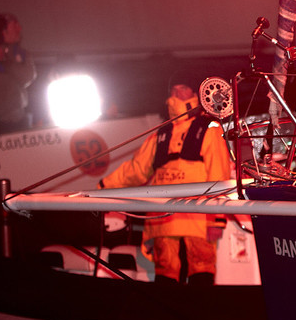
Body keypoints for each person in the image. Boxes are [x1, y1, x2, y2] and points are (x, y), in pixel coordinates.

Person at [98, 83, 233, 284]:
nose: (177, 93)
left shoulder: (209, 128)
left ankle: (201, 313)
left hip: (197, 218)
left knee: (201, 268)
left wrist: (218, 219)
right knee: (165, 271)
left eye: (184, 88)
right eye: (174, 89)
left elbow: (219, 173)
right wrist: (104, 186)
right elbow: (136, 170)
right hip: (162, 217)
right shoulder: (160, 134)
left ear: (195, 94)